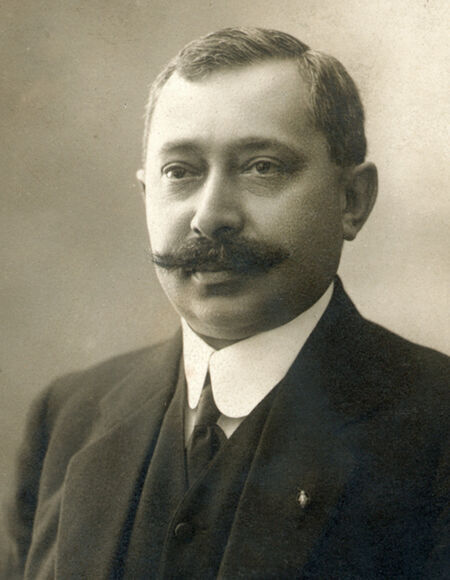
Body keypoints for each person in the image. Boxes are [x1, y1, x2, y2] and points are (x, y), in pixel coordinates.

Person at [2, 27, 448, 579]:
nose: (211, 216)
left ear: (351, 200)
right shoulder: (67, 417)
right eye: (180, 172)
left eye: (262, 167)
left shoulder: (436, 426)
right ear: (146, 196)